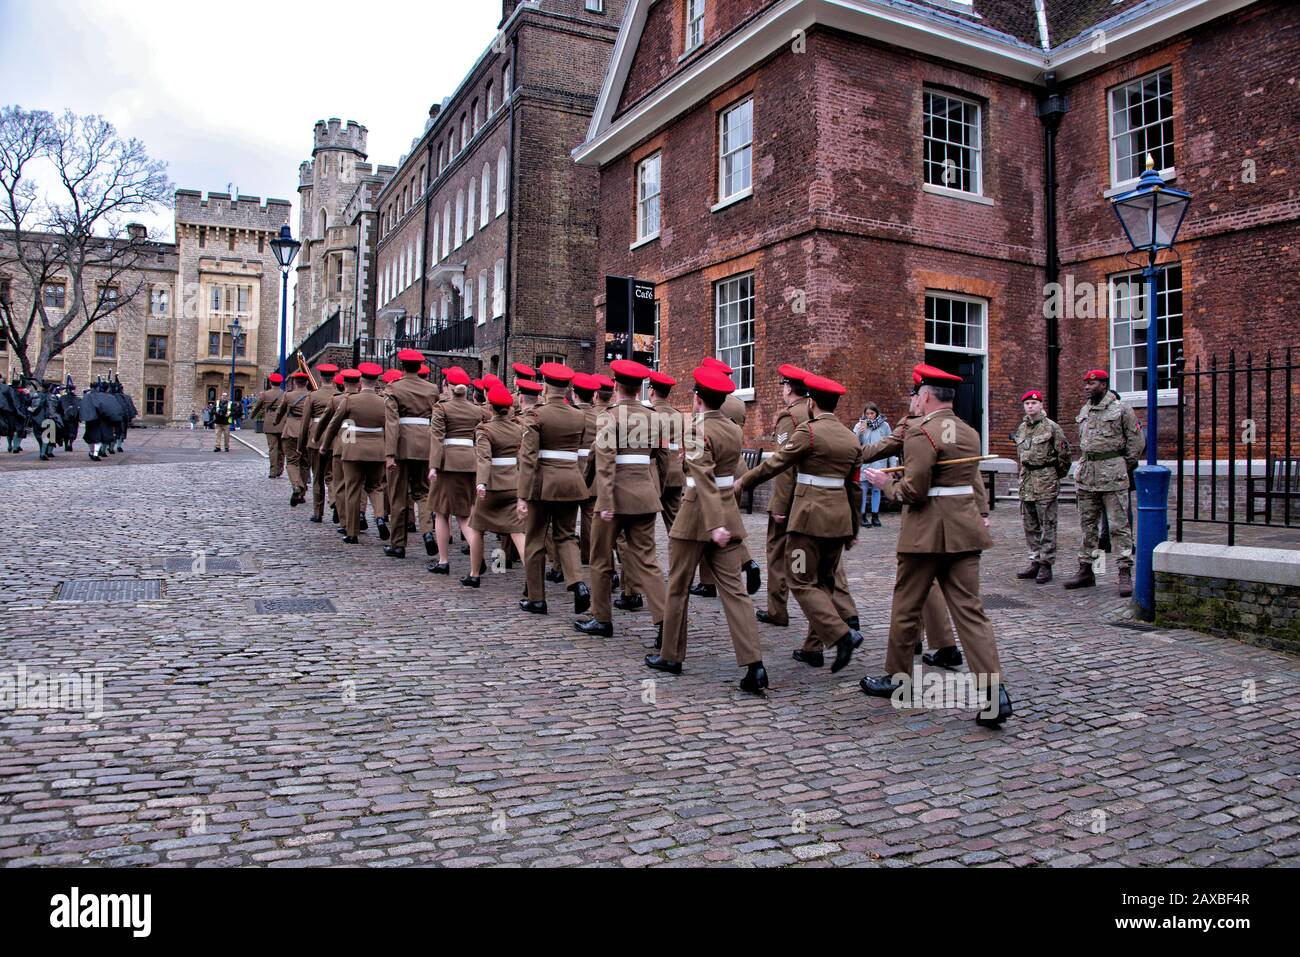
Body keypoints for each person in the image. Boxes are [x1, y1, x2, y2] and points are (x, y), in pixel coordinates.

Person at [859, 364, 1013, 729]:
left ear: (925, 396)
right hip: (964, 532)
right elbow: (971, 478)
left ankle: (898, 679)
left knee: (906, 607)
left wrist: (884, 486)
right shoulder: (970, 433)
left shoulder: (921, 432)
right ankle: (995, 693)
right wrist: (981, 511)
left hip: (925, 534)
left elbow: (914, 490)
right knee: (971, 613)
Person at [646, 365, 768, 694]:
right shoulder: (732, 429)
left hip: (697, 517)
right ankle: (754, 665)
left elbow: (703, 477)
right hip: (727, 515)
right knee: (735, 594)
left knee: (678, 587)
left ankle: (671, 654)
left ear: (698, 398)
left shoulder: (697, 430)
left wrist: (713, 523)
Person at [737, 373, 863, 675]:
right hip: (840, 522)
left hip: (808, 520)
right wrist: (854, 530)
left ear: (813, 403)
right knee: (824, 582)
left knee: (798, 580)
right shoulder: (851, 438)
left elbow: (776, 463)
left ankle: (841, 635)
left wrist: (743, 481)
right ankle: (812, 648)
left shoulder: (809, 432)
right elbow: (854, 488)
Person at [575, 359, 667, 639]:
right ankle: (665, 623)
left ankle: (602, 618)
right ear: (640, 389)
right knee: (647, 562)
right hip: (644, 494)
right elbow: (658, 456)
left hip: (614, 498)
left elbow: (605, 461)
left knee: (601, 559)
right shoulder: (654, 417)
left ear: (616, 385)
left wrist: (605, 502)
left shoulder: (609, 416)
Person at [516, 362, 591, 615]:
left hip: (543, 483)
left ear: (546, 386)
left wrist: (523, 495)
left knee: (535, 539)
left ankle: (537, 598)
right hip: (571, 481)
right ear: (569, 388)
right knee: (566, 536)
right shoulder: (578, 415)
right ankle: (578, 583)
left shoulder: (537, 415)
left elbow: (528, 457)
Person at [1063, 370, 1144, 597]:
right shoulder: (1085, 410)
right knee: (1087, 525)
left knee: (1119, 526)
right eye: (1086, 383)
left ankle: (1124, 572)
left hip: (1112, 475)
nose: (1088, 387)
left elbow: (1136, 443)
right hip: (1087, 475)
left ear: (1104, 384)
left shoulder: (1122, 410)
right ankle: (1086, 570)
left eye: (1093, 383)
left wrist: (1120, 465)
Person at [462, 385, 527, 587]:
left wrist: (481, 482)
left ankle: (474, 574)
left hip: (491, 487)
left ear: (490, 407)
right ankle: (531, 581)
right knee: (518, 533)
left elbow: (484, 458)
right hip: (514, 485)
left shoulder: (484, 429)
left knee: (478, 529)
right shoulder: (519, 429)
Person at [316, 364, 387, 543]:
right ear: (376, 382)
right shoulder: (383, 402)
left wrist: (324, 445)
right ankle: (379, 516)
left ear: (362, 382)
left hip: (352, 449)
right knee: (376, 487)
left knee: (353, 488)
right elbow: (390, 427)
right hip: (377, 450)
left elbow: (333, 424)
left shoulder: (349, 400)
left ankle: (352, 531)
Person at [382, 350, 440, 559]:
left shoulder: (394, 387)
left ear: (402, 366)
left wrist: (389, 454)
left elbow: (391, 423)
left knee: (398, 495)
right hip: (425, 445)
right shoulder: (432, 389)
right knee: (423, 493)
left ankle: (398, 543)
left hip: (402, 446)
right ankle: (427, 532)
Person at [425, 366, 481, 575]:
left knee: (442, 513)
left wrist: (433, 466)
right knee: (465, 514)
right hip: (469, 462)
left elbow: (437, 438)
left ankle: (443, 561)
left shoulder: (442, 408)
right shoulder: (476, 410)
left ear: (446, 386)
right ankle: (477, 559)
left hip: (447, 464)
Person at [1013, 388, 1071, 584]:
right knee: (1030, 525)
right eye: (1027, 403)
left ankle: (1046, 564)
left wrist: (1054, 475)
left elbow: (1064, 455)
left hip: (1045, 479)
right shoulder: (1021, 428)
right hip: (1027, 480)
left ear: (1041, 405)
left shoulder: (1051, 428)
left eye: (1034, 403)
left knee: (1048, 524)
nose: (1030, 406)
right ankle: (1034, 560)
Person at [296, 364, 341, 524]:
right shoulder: (339, 395)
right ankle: (334, 500)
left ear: (321, 378)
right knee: (332, 475)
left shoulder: (313, 396)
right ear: (334, 378)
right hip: (335, 438)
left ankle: (318, 512)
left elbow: (304, 423)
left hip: (316, 438)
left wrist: (300, 446)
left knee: (318, 477)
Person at [271, 371, 314, 506]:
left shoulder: (288, 395)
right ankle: (302, 493)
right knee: (305, 462)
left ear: (295, 382)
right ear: (306, 383)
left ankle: (296, 485)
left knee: (292, 461)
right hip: (308, 430)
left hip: (291, 430)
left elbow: (280, 411)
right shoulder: (312, 396)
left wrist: (276, 421)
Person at [853, 403, 894, 527]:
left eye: (872, 413)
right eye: (867, 414)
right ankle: (863, 515)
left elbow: (891, 445)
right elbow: (855, 444)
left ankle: (875, 516)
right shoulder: (860, 425)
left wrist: (891, 466)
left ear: (877, 413)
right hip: (865, 463)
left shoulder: (884, 426)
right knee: (864, 489)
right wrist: (860, 432)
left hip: (879, 462)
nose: (870, 416)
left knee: (877, 490)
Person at [249, 373, 286, 478]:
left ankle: (273, 471)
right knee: (281, 449)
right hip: (282, 422)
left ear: (270, 383)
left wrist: (252, 416)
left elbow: (258, 407)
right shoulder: (284, 394)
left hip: (270, 422)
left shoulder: (265, 394)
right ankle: (280, 469)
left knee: (272, 448)